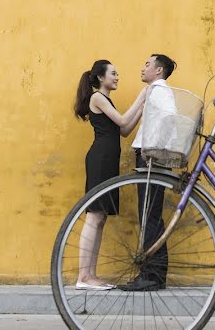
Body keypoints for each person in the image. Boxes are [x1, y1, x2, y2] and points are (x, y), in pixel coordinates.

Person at [73, 59, 148, 290]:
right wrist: (143, 95)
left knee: (100, 217)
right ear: (100, 78)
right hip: (100, 159)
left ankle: (90, 275)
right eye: (113, 73)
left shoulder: (106, 100)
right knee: (94, 216)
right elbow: (123, 120)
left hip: (107, 159)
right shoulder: (97, 97)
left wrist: (143, 109)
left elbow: (124, 130)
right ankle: (84, 276)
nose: (117, 77)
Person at [119, 54, 178, 292]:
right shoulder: (155, 91)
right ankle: (154, 274)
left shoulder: (158, 90)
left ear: (158, 70)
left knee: (149, 215)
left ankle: (152, 275)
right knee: (150, 215)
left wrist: (153, 148)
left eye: (147, 64)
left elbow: (170, 117)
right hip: (151, 156)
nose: (143, 67)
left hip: (150, 158)